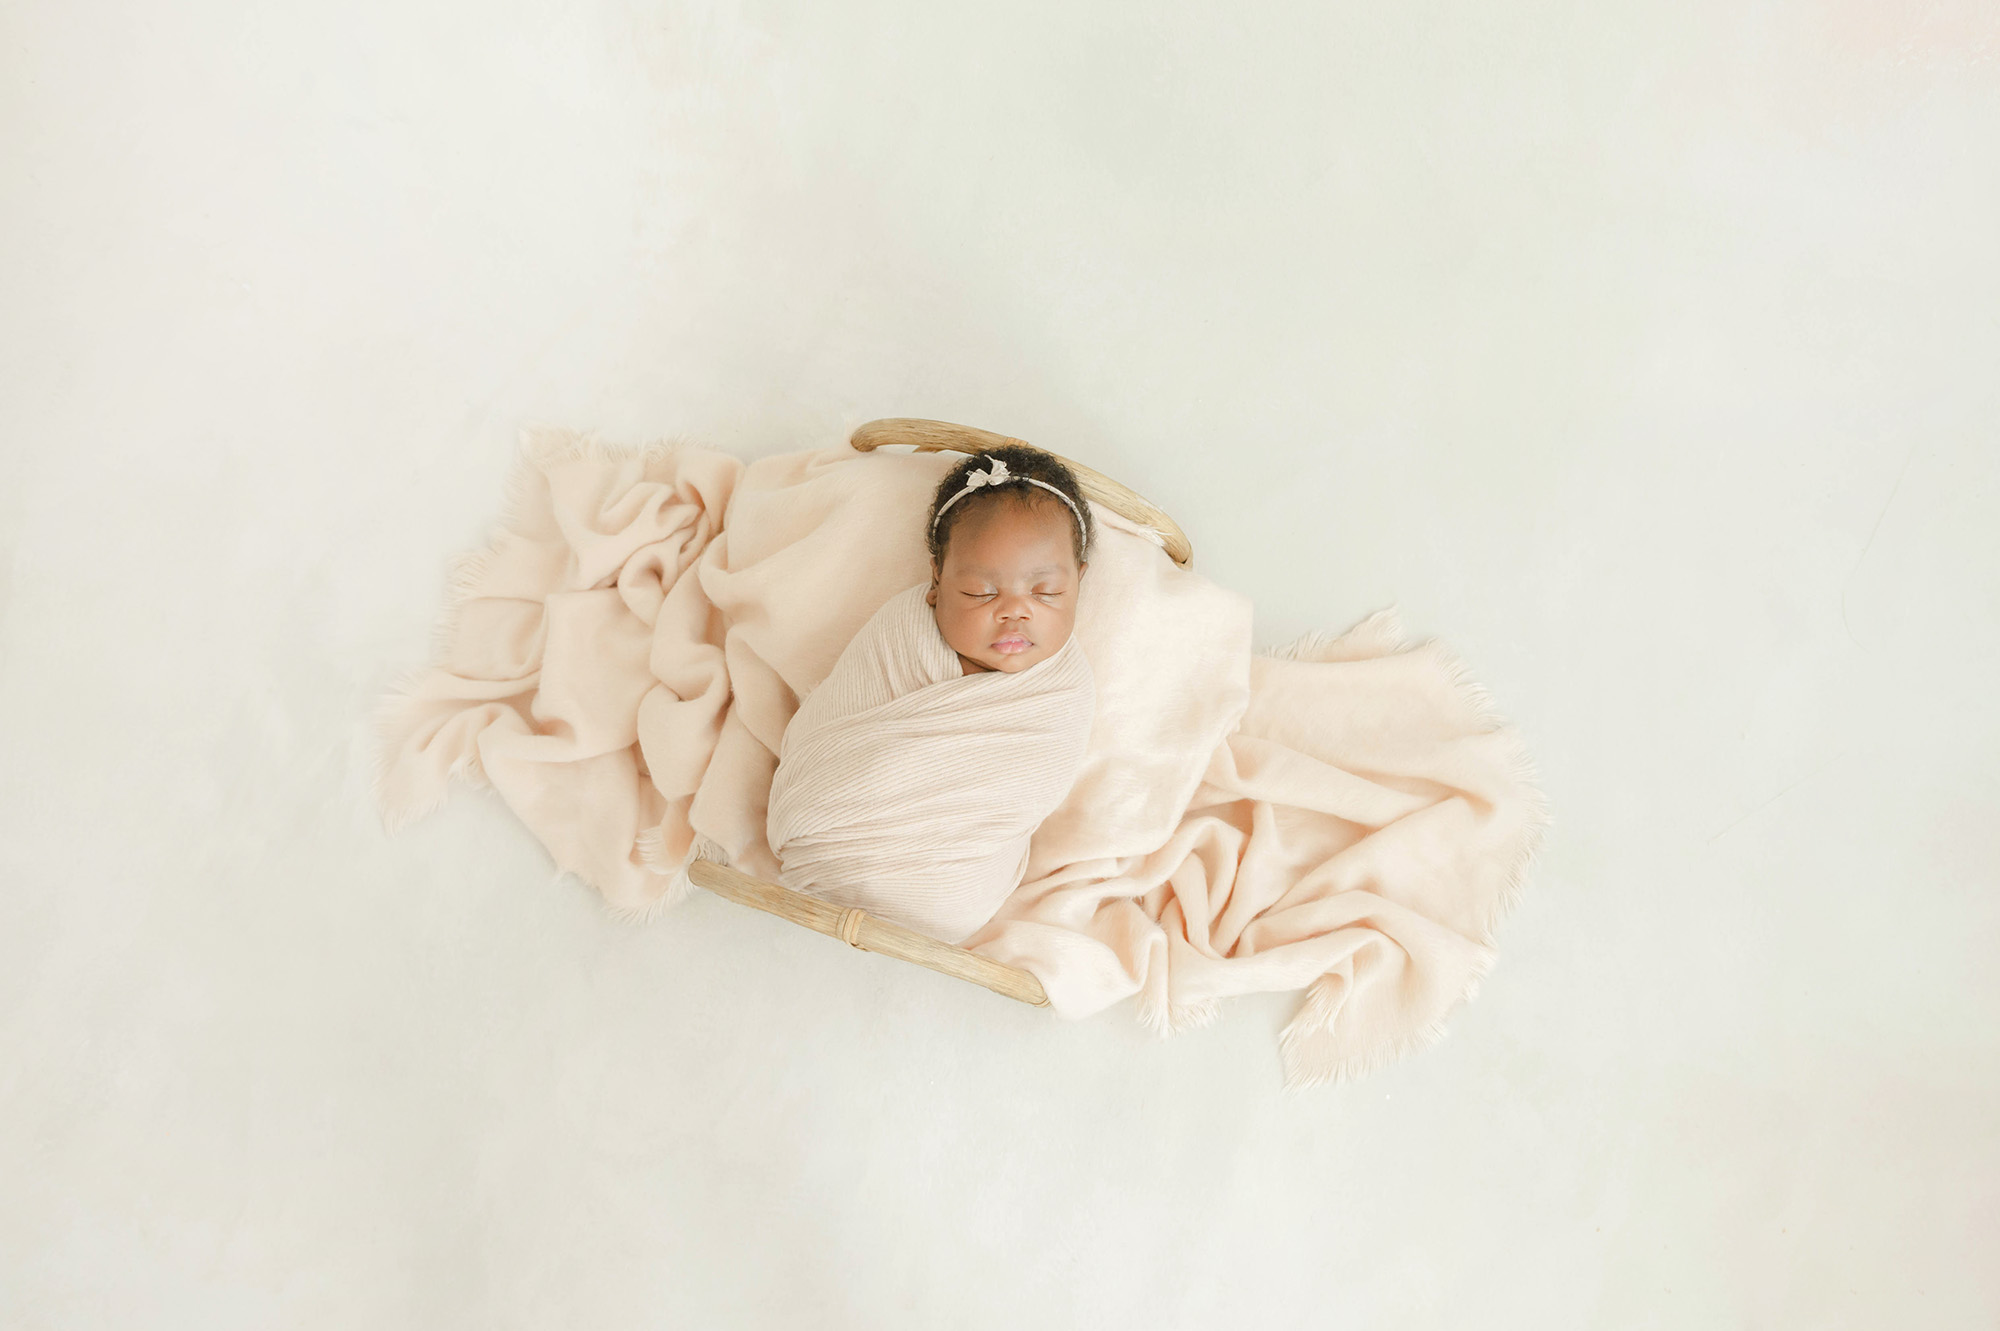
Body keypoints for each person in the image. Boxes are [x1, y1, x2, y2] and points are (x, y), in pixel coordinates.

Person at [762, 445, 1097, 941]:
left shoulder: (1062, 690)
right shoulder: (903, 632)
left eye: (1045, 592)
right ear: (937, 580)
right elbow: (831, 730)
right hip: (821, 845)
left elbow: (1027, 785)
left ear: (1079, 583)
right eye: (981, 592)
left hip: (951, 897)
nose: (1014, 612)